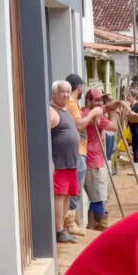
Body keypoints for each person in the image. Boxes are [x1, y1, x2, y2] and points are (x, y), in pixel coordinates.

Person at [65, 74, 102, 237]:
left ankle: (70, 222)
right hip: (78, 151)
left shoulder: (71, 104)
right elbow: (79, 125)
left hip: (78, 151)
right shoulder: (72, 104)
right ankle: (70, 223)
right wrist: (94, 113)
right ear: (79, 87)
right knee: (75, 189)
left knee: (73, 188)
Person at [82, 88, 121, 231]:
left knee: (98, 196)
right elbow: (114, 127)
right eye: (97, 99)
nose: (100, 102)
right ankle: (100, 228)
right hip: (94, 162)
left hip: (94, 160)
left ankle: (93, 228)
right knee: (98, 198)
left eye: (101, 100)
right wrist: (113, 113)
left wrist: (111, 105)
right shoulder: (93, 116)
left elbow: (106, 107)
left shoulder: (87, 112)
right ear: (89, 100)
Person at [49, 80, 81, 243]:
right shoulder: (51, 111)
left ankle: (62, 228)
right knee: (60, 197)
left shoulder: (65, 110)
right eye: (62, 92)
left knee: (68, 196)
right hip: (60, 164)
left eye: (69, 92)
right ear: (54, 93)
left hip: (71, 163)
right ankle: (58, 230)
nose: (67, 95)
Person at [126, 90, 138, 174]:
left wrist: (129, 110)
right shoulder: (131, 106)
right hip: (132, 129)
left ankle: (137, 170)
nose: (127, 98)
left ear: (134, 97)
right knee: (134, 148)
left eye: (129, 96)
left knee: (137, 148)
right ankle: (136, 168)